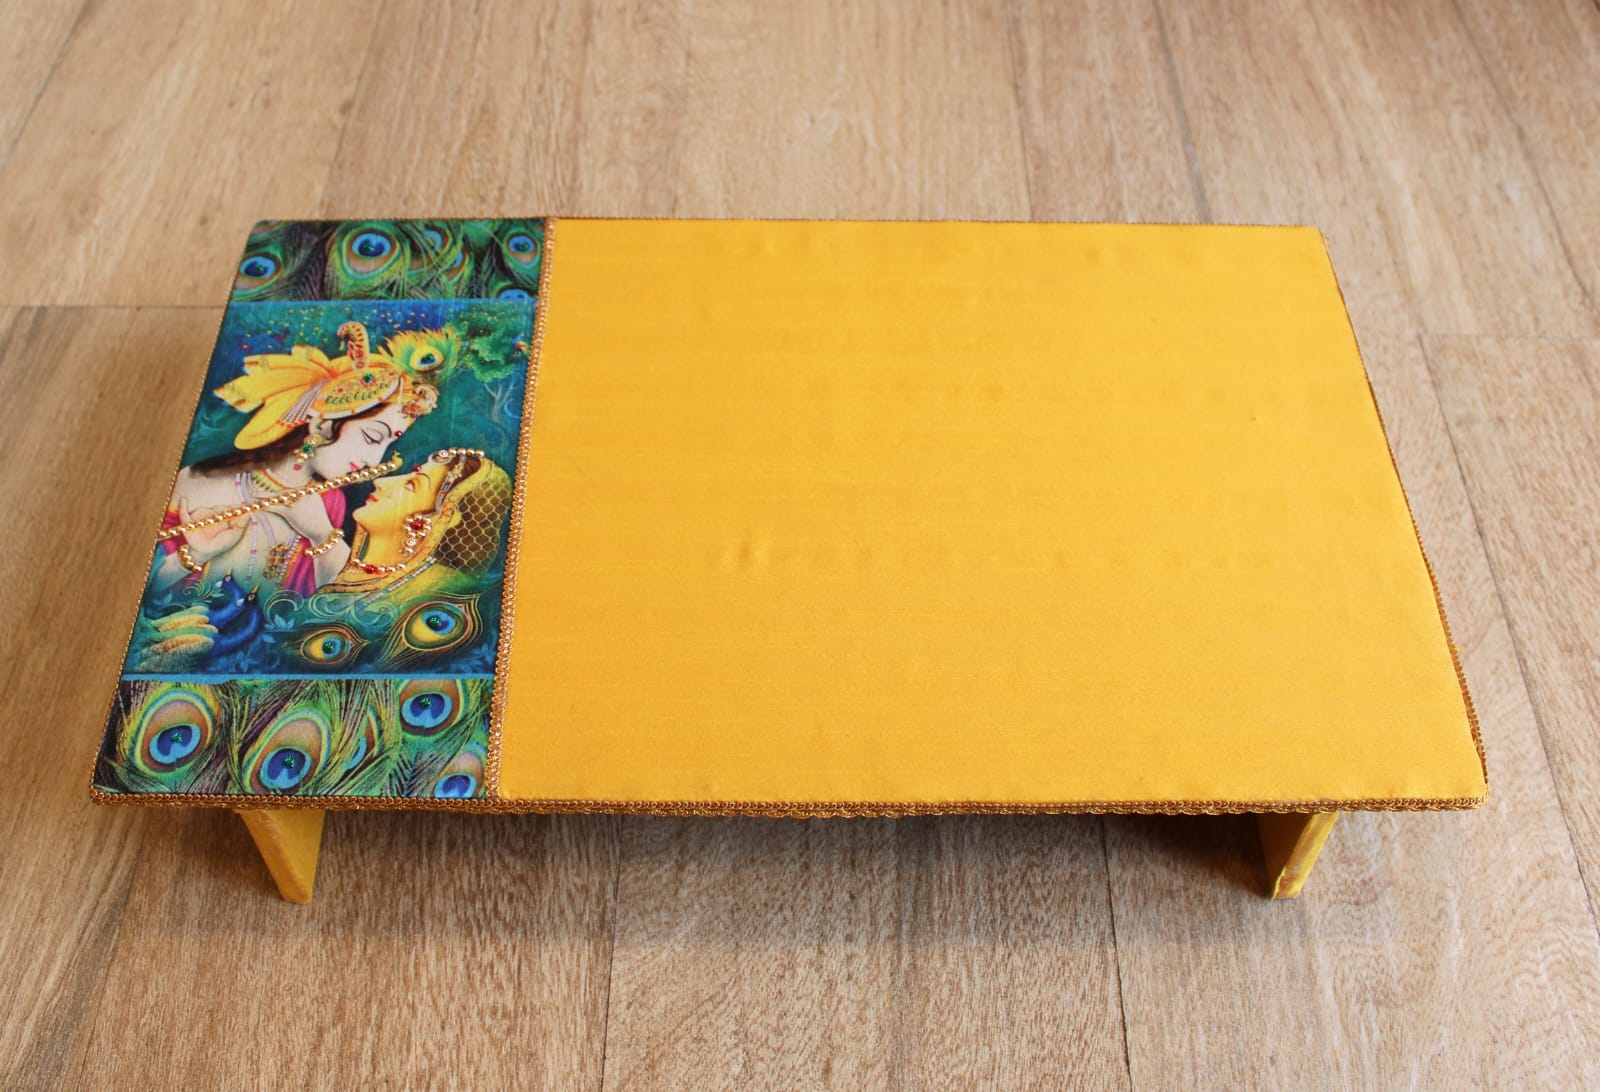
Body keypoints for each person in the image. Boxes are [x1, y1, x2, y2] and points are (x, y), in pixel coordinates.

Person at [150, 322, 438, 601]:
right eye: (373, 437)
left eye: (388, 445)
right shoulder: (201, 480)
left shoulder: (330, 505)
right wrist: (197, 554)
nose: (373, 461)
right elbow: (147, 591)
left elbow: (332, 609)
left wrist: (322, 535)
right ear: (322, 424)